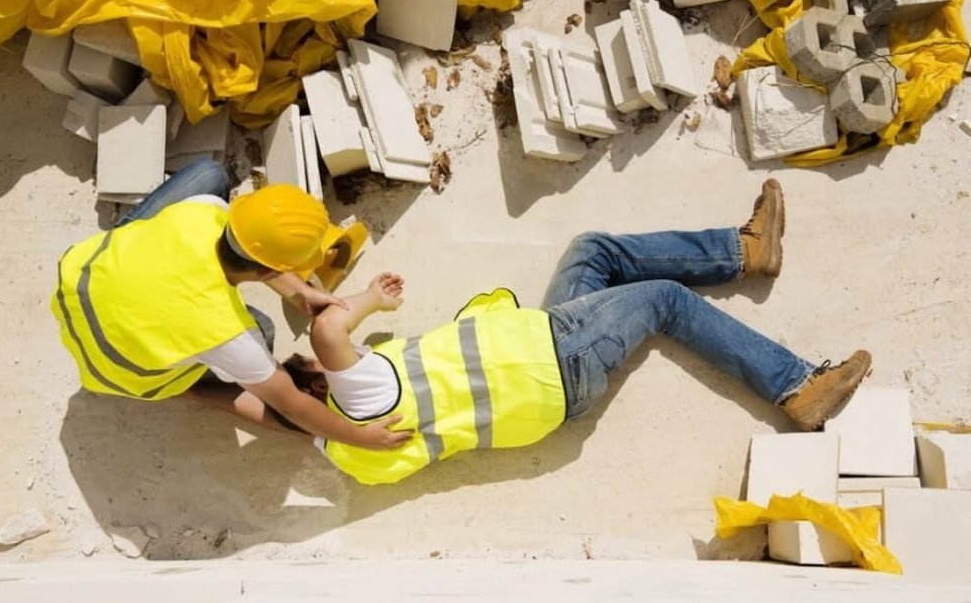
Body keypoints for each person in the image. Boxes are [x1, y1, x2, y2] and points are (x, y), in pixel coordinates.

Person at [277, 179, 872, 484]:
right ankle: (796, 386)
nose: (339, 355)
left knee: (592, 252)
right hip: (553, 359)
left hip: (544, 369)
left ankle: (745, 250)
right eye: (319, 365)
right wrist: (369, 300)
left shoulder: (346, 454)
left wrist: (263, 391)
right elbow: (328, 328)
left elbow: (266, 407)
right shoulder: (365, 397)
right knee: (664, 299)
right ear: (322, 387)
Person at [50, 158, 412, 450]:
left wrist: (299, 293)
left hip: (80, 281)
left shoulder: (202, 211)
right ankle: (185, 387)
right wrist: (361, 438)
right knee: (263, 333)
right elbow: (291, 405)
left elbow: (251, 253)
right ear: (269, 270)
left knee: (209, 175)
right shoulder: (229, 334)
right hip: (117, 368)